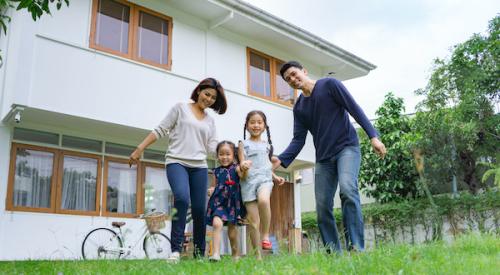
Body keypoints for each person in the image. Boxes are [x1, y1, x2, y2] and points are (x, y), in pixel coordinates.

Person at [273, 61, 386, 252]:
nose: (292, 79)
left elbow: (354, 108)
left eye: (294, 74)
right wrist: (281, 159)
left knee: (348, 190)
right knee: (322, 206)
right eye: (288, 79)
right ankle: (334, 253)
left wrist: (373, 136)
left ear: (304, 71)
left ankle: (356, 248)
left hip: (347, 148)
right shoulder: (299, 108)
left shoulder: (329, 85)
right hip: (324, 159)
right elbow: (298, 139)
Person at [128, 78, 227, 262]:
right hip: (176, 162)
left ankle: (199, 254)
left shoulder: (210, 121)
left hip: (199, 166)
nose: (209, 99)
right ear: (198, 91)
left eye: (213, 97)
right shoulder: (180, 108)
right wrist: (139, 149)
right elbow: (160, 130)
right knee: (181, 198)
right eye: (207, 94)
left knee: (199, 209)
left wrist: (228, 154)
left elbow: (212, 148)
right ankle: (175, 250)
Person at [239, 110, 285, 260]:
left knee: (264, 200)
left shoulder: (267, 145)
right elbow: (241, 162)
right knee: (253, 222)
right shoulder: (243, 144)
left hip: (265, 179)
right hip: (248, 182)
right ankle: (257, 256)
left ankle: (265, 235)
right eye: (252, 122)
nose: (256, 125)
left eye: (259, 122)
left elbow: (267, 165)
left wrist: (275, 176)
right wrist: (244, 166)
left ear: (264, 126)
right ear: (247, 125)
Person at [205, 141, 249, 262]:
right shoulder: (216, 171)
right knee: (216, 224)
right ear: (217, 155)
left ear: (233, 155)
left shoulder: (237, 168)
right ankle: (216, 254)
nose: (224, 157)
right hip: (218, 202)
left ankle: (235, 254)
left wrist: (242, 162)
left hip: (233, 203)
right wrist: (211, 189)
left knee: (232, 230)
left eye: (228, 154)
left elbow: (243, 176)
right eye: (221, 154)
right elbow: (214, 185)